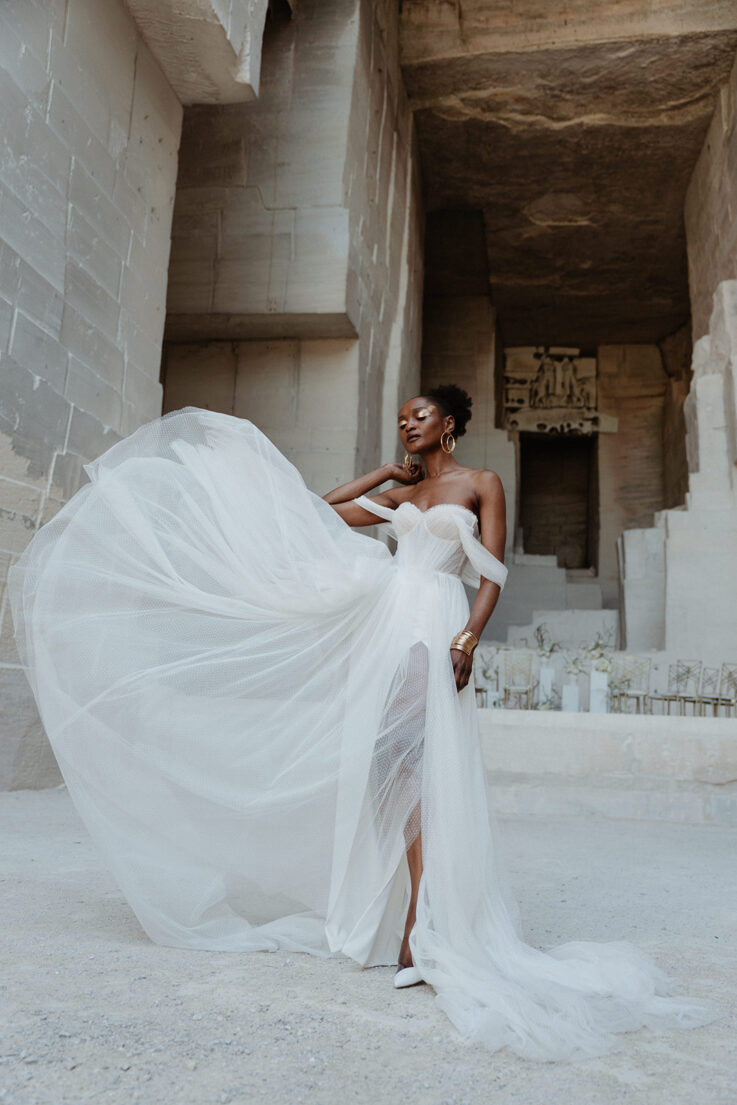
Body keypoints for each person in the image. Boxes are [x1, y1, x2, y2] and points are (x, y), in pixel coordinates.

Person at [8, 385, 717, 1061]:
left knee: (415, 755)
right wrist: (383, 472)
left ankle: (421, 926)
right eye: (401, 419)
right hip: (386, 622)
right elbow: (317, 510)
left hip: (435, 616)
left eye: (419, 417)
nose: (407, 425)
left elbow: (492, 568)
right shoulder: (402, 493)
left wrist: (468, 637)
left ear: (448, 424)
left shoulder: (481, 482)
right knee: (393, 763)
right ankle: (408, 913)